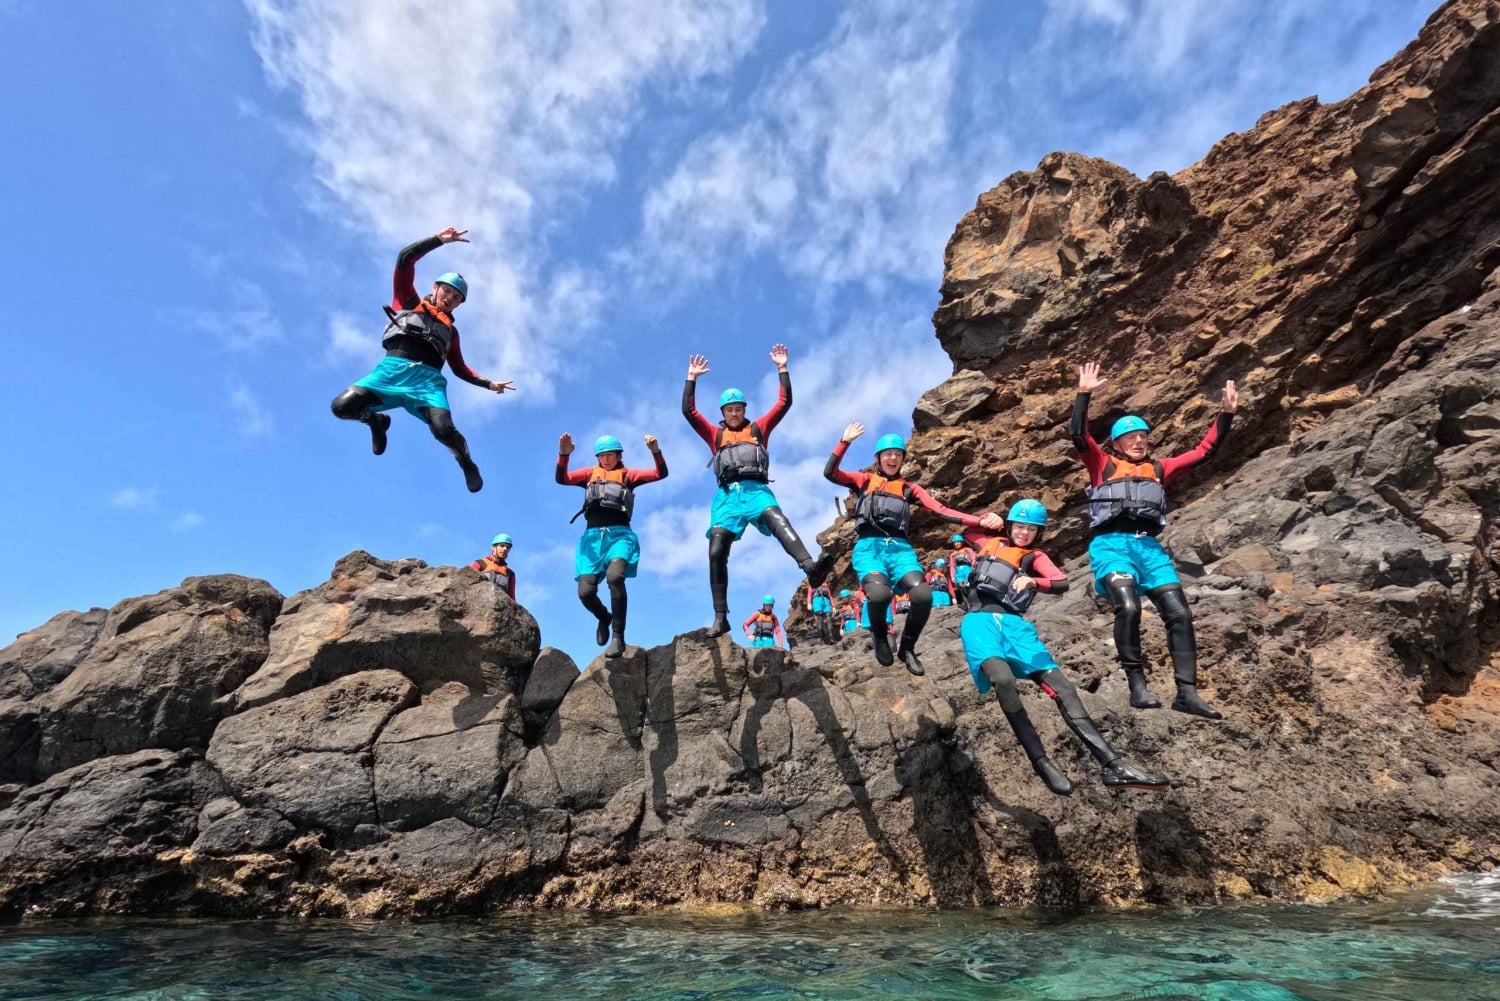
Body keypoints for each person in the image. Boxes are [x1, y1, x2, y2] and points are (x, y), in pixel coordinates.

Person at [959, 500, 1169, 795]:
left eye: (1031, 528)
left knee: (1065, 689)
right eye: (1019, 526)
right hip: (979, 623)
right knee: (1003, 680)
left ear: (1038, 532)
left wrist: (1034, 582)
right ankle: (1041, 763)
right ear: (1010, 525)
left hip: (1016, 629)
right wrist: (985, 517)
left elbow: (1061, 582)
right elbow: (964, 526)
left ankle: (1113, 765)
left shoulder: (1035, 556)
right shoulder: (989, 542)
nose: (1023, 532)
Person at [1072, 362, 1237, 718]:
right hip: (1112, 545)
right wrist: (1084, 394)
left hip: (1149, 548)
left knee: (1179, 612)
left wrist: (1225, 415)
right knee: (1128, 608)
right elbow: (1078, 437)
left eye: (1143, 436)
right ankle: (1137, 685)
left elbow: (1204, 451)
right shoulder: (1102, 465)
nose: (1138, 441)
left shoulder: (1160, 469)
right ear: (1116, 444)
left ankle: (1187, 693)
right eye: (1130, 437)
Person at [330, 227, 515, 492]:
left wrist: (490, 384)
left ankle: (466, 462)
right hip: (391, 372)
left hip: (427, 384)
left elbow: (460, 369)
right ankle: (376, 421)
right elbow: (405, 258)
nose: (450, 299)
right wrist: (439, 240)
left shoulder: (451, 332)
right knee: (341, 407)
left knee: (443, 431)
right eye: (447, 292)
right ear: (435, 288)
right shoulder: (407, 301)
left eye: (456, 298)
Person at [825, 423, 1002, 675]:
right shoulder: (865, 480)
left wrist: (979, 519)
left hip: (900, 550)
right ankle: (879, 634)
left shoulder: (910, 489)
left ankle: (907, 647)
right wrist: (844, 442)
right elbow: (830, 472)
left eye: (898, 454)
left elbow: (942, 511)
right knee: (879, 595)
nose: (893, 458)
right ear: (878, 458)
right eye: (887, 454)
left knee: (923, 596)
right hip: (869, 548)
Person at [682, 347, 820, 635]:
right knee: (717, 547)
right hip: (727, 497)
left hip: (756, 490)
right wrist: (691, 379)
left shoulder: (759, 430)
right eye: (729, 410)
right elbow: (689, 412)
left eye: (738, 409)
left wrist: (782, 369)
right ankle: (721, 616)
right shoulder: (716, 435)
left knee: (776, 517)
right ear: (723, 413)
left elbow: (784, 403)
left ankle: (810, 567)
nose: (734, 413)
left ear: (745, 410)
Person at [557, 433, 667, 658]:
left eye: (610, 455)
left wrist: (655, 451)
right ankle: (603, 617)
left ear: (619, 455)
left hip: (620, 537)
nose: (606, 460)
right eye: (602, 455)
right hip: (592, 540)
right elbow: (562, 478)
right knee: (585, 592)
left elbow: (660, 473)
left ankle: (618, 636)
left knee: (615, 577)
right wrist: (564, 455)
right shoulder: (589, 474)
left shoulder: (628, 474)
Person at [468, 533, 516, 599]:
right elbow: (466, 582)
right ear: (493, 547)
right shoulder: (479, 563)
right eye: (502, 546)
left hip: (500, 606)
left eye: (508, 547)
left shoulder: (510, 574)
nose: (505, 549)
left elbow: (512, 598)